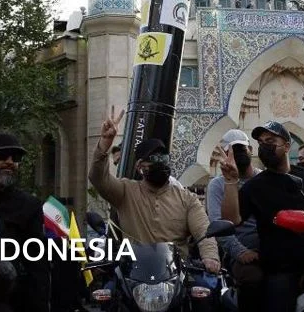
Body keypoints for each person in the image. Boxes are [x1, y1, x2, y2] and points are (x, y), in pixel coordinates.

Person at [89, 108, 220, 273]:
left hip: (176, 276)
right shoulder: (125, 192)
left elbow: (203, 231)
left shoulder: (187, 199)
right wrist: (104, 144)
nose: (161, 164)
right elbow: (98, 178)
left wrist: (210, 257)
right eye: (154, 160)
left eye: (164, 159)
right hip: (134, 275)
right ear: (139, 167)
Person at [219, 121, 304, 312]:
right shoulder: (255, 187)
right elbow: (231, 219)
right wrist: (230, 181)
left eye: (270, 140)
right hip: (281, 269)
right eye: (261, 143)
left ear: (287, 145)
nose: (265, 146)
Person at [0, 132, 50, 312]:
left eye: (16, 157)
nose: (10, 162)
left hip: (6, 292)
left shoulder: (29, 205)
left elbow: (37, 261)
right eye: (3, 155)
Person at [206, 129, 262, 312]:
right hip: (242, 256)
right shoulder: (217, 185)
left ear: (251, 150)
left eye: (241, 149)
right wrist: (241, 253)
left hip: (268, 250)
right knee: (253, 279)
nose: (238, 154)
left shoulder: (264, 179)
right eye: (232, 151)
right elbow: (219, 225)